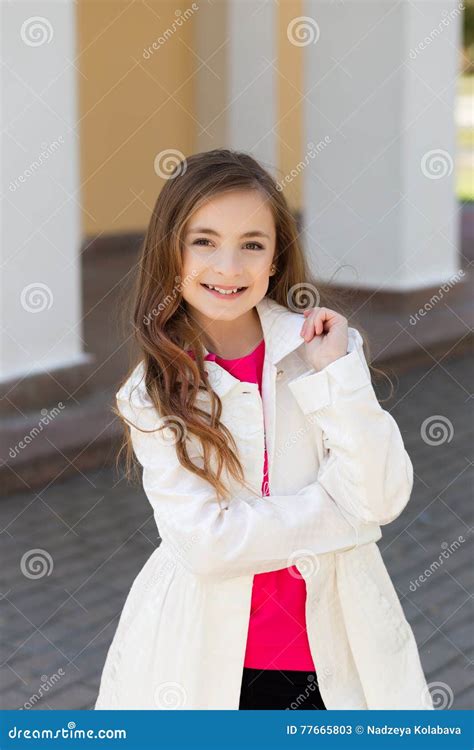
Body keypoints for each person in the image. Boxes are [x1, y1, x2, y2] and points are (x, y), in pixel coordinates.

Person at [94, 149, 433, 710]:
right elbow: (208, 545)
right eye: (204, 241)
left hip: (338, 653)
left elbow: (383, 494)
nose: (229, 267)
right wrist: (343, 514)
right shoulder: (150, 390)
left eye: (252, 244)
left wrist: (337, 377)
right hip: (208, 662)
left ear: (275, 258)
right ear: (170, 251)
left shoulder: (319, 351)